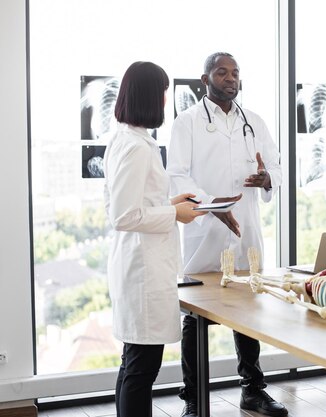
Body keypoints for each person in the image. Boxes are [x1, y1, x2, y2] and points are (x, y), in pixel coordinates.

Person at [167, 52, 286, 417]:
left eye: (235, 72)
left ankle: (253, 390)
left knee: (249, 309)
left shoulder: (255, 122)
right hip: (205, 231)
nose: (231, 78)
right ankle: (193, 398)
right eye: (222, 72)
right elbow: (178, 175)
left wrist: (268, 179)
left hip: (246, 226)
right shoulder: (186, 122)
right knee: (196, 318)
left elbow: (276, 167)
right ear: (205, 79)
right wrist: (212, 205)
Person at [103, 61, 209, 417]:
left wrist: (171, 204)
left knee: (133, 364)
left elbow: (138, 203)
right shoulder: (135, 147)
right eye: (163, 92)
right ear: (151, 96)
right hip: (141, 272)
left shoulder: (129, 140)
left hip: (140, 265)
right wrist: (173, 214)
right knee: (141, 369)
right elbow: (123, 216)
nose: (166, 99)